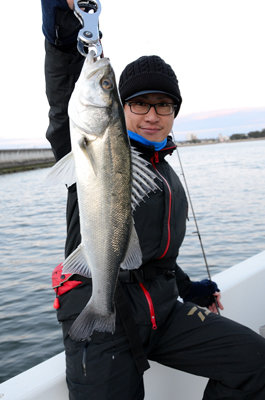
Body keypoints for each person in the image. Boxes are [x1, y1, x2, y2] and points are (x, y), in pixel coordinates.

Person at [41, 2, 265, 399]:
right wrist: (61, 26)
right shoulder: (90, 148)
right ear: (120, 108)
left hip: (163, 309)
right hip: (100, 308)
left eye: (164, 104)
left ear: (175, 112)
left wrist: (187, 287)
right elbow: (63, 104)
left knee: (258, 362)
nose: (152, 114)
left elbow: (157, 256)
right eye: (139, 102)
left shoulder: (166, 174)